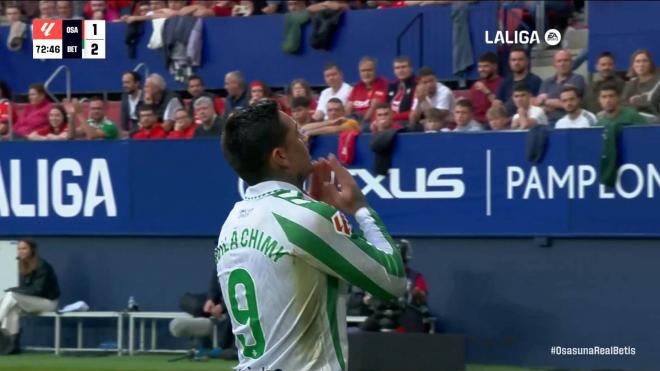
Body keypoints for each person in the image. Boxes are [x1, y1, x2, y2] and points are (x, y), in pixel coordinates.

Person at [218, 100, 405, 370]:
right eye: (297, 133)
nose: (305, 138)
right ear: (281, 156)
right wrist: (360, 208)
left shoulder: (232, 222)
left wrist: (316, 211)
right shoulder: (305, 218)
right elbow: (393, 281)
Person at [0, 239, 60, 355]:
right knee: (12, 308)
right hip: (32, 302)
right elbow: (24, 291)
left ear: (32, 250)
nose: (20, 251)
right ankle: (11, 346)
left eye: (24, 248)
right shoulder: (22, 264)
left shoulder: (42, 265)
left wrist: (14, 291)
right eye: (19, 248)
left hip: (48, 303)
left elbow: (37, 290)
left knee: (11, 295)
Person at [535, 50, 586, 124]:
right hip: (548, 122)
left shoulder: (577, 79)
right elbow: (539, 104)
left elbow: (570, 103)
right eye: (559, 61)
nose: (562, 64)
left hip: (571, 120)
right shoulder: (547, 82)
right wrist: (557, 102)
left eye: (566, 60)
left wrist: (546, 101)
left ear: (571, 63)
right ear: (554, 65)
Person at [494, 46, 543, 116]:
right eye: (513, 60)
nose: (516, 63)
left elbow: (537, 103)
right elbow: (497, 104)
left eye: (520, 59)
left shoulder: (535, 81)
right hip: (506, 121)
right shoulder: (505, 82)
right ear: (509, 62)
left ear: (527, 61)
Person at [345, 57, 388, 123]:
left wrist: (359, 125)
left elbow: (373, 108)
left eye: (369, 70)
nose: (366, 74)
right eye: (363, 71)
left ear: (375, 70)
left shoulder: (382, 84)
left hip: (370, 122)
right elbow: (348, 109)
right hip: (353, 120)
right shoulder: (357, 87)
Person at [621, 49, 660, 121]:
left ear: (650, 63)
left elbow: (653, 103)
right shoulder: (631, 84)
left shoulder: (658, 81)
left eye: (645, 61)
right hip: (634, 118)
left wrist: (637, 101)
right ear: (633, 65)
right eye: (638, 61)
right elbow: (623, 105)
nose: (641, 64)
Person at [469, 52, 502, 125]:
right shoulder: (475, 86)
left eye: (485, 66)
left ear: (495, 66)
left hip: (490, 123)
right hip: (472, 123)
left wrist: (486, 91)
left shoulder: (502, 84)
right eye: (480, 67)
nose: (481, 69)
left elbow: (501, 109)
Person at [387, 56, 416, 125]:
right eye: (397, 68)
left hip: (408, 122)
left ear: (411, 68)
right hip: (391, 121)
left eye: (403, 67)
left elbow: (413, 112)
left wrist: (392, 117)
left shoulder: (417, 85)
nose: (400, 70)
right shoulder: (392, 86)